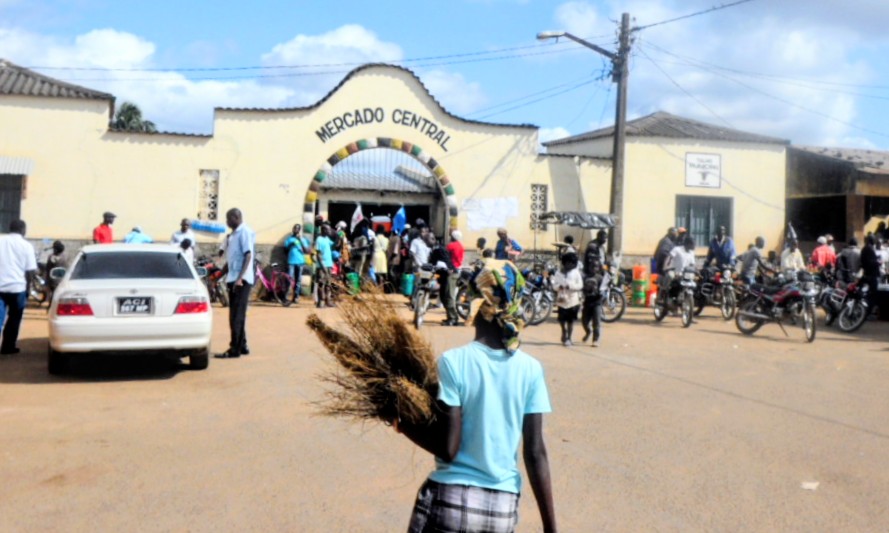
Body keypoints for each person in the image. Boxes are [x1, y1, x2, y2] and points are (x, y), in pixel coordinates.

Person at [398, 259, 556, 533]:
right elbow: (535, 453)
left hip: (448, 502)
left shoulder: (453, 362)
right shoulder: (531, 369)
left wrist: (402, 424)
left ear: (476, 304)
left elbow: (448, 448)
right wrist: (551, 528)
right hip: (501, 511)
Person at [215, 208, 255, 359]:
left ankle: (234, 349)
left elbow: (248, 255)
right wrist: (219, 275)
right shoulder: (233, 235)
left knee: (236, 316)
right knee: (237, 314)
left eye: (228, 219)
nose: (226, 222)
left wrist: (240, 277)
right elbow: (231, 260)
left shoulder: (244, 232)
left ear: (235, 217)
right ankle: (242, 345)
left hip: (241, 280)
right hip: (233, 278)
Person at [0, 220, 37, 355]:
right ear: (23, 230)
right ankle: (8, 347)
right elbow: (30, 271)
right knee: (14, 319)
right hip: (18, 288)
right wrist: (28, 288)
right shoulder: (26, 246)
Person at [552, 252, 583, 346]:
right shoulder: (558, 273)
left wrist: (571, 286)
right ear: (564, 262)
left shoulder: (576, 273)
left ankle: (569, 338)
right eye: (568, 263)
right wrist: (559, 287)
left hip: (573, 301)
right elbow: (554, 286)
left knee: (571, 321)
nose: (570, 265)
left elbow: (580, 285)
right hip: (562, 301)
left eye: (572, 263)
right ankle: (563, 331)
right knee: (561, 320)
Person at [581, 233, 607, 348]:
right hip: (587, 301)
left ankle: (595, 339)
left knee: (597, 321)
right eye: (604, 238)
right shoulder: (592, 246)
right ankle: (588, 331)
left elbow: (604, 287)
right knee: (584, 321)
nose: (605, 240)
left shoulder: (600, 278)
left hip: (597, 302)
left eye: (606, 238)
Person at [429, 235, 459, 326]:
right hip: (444, 275)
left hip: (450, 274)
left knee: (448, 296)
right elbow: (432, 262)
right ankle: (450, 317)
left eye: (430, 238)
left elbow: (447, 261)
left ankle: (453, 318)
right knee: (443, 296)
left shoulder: (439, 249)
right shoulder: (433, 249)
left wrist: (449, 269)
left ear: (434, 240)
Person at [284, 223, 309, 304]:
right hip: (291, 262)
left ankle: (296, 297)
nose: (295, 229)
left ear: (299, 230)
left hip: (300, 262)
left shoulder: (303, 239)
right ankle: (286, 296)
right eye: (294, 228)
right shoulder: (289, 239)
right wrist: (291, 244)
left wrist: (300, 240)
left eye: (297, 228)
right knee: (289, 279)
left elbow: (306, 251)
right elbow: (285, 250)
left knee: (298, 280)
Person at [313, 224, 335, 308]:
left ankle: (327, 300)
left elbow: (335, 245)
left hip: (329, 264)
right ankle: (321, 301)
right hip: (322, 266)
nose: (329, 231)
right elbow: (318, 255)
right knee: (321, 284)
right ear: (323, 230)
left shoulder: (327, 239)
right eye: (328, 230)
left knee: (328, 284)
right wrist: (323, 267)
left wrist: (338, 237)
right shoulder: (319, 239)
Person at [861, 235, 880, 313]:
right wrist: (878, 262)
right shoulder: (869, 248)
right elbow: (870, 262)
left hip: (868, 273)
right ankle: (868, 310)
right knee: (873, 293)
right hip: (871, 274)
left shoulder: (866, 248)